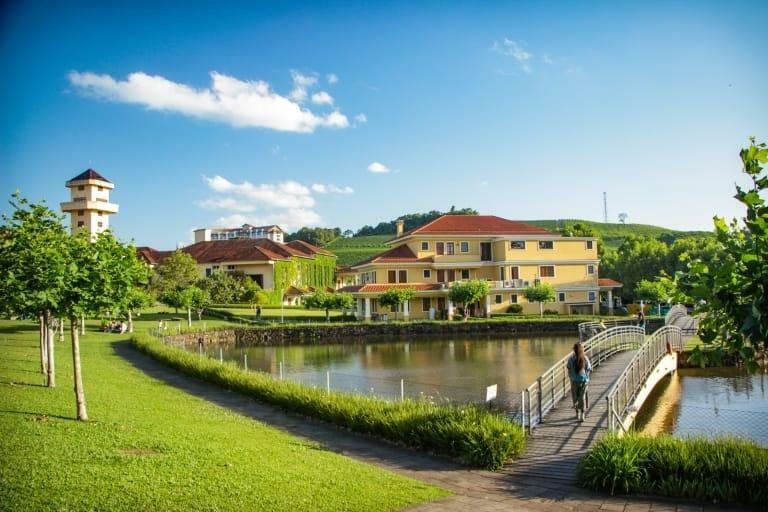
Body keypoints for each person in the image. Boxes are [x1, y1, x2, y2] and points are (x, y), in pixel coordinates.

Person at [567, 343, 592, 422]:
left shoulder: (584, 358)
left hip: (583, 381)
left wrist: (587, 378)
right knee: (576, 398)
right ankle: (577, 412)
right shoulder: (571, 359)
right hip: (574, 381)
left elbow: (589, 368)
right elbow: (568, 368)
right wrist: (571, 377)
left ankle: (582, 413)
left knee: (581, 398)